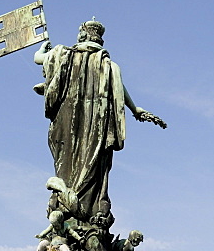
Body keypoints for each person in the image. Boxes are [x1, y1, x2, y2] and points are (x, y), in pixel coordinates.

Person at [34, 20, 165, 225]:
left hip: (66, 124)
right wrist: (135, 108)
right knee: (95, 166)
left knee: (65, 162)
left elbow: (38, 59)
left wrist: (43, 48)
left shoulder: (63, 55)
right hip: (98, 130)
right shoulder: (109, 66)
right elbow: (119, 90)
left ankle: (68, 207)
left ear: (83, 35)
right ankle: (89, 208)